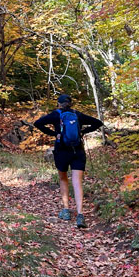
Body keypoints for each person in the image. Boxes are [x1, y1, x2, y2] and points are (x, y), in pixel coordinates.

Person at [33, 94, 104, 228]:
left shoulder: (55, 115)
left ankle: (66, 210)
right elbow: (98, 123)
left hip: (61, 151)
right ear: (70, 104)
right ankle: (80, 214)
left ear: (58, 104)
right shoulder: (78, 115)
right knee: (77, 182)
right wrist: (84, 131)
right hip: (78, 151)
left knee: (63, 179)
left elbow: (37, 123)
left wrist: (55, 134)